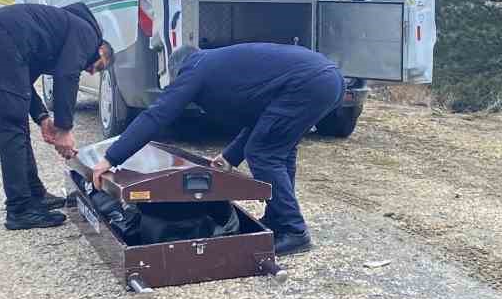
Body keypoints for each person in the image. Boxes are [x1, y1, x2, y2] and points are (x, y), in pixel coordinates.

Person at [90, 44, 344, 255]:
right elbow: (260, 120)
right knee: (277, 150)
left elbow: (157, 115)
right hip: (326, 79)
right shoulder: (219, 65)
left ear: (179, 69)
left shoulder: (196, 69)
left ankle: (293, 230)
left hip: (309, 83)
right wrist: (230, 157)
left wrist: (111, 158)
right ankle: (280, 219)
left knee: (264, 152)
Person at [0, 3, 114, 229]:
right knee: (11, 125)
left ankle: (34, 193)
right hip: (0, 38)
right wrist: (64, 129)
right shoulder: (87, 34)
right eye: (99, 66)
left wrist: (42, 117)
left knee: (15, 118)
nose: (91, 71)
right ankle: (20, 209)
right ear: (102, 49)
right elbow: (67, 75)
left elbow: (22, 85)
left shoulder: (56, 32)